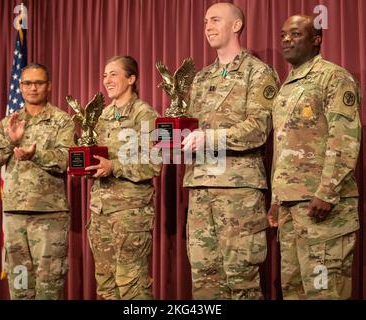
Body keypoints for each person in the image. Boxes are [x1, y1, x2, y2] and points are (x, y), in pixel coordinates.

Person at [181, 3, 279, 300]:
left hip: (238, 191)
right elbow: (188, 126)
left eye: (215, 20)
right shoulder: (200, 78)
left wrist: (209, 138)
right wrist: (167, 140)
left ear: (236, 25)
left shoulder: (258, 73)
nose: (207, 26)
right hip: (200, 187)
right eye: (205, 21)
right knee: (205, 280)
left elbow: (259, 128)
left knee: (241, 280)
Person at [267, 15, 361, 300]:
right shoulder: (287, 85)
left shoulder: (333, 77)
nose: (286, 40)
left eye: (295, 34)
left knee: (324, 292)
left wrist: (327, 192)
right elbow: (283, 146)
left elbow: (344, 138)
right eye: (283, 34)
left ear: (316, 40)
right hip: (290, 207)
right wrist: (276, 198)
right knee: (294, 291)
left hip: (322, 209)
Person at [0, 63, 75, 299]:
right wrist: (10, 141)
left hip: (50, 216)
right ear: (20, 87)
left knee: (48, 288)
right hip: (14, 217)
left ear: (49, 86)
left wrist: (36, 155)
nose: (33, 88)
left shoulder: (62, 121)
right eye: (27, 83)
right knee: (20, 286)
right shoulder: (9, 122)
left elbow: (67, 160)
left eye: (39, 83)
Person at [85, 55, 160, 300]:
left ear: (131, 79)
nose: (107, 79)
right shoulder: (102, 115)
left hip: (130, 215)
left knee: (132, 286)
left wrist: (113, 167)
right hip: (100, 212)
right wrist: (84, 166)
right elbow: (96, 156)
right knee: (105, 286)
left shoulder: (145, 114)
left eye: (113, 74)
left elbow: (154, 164)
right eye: (105, 74)